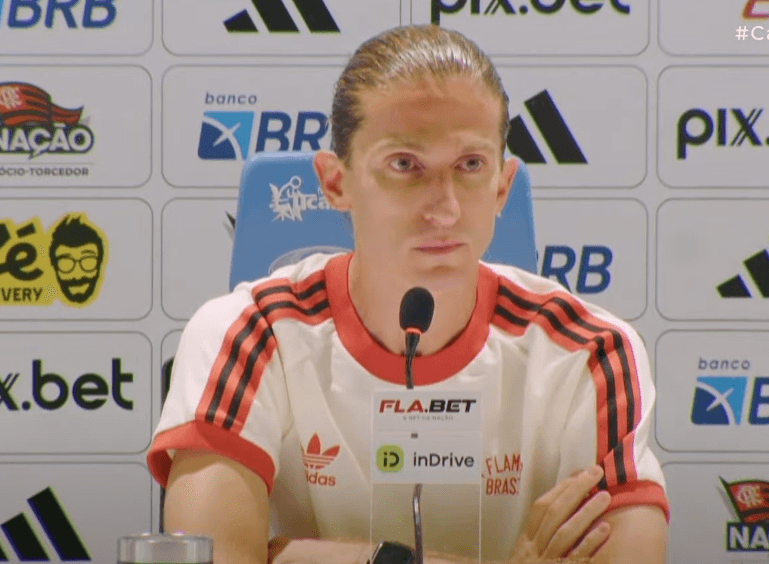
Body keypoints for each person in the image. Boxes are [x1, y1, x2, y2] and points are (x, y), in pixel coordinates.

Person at [147, 24, 669, 564]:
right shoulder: (247, 331)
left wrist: (296, 556)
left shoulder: (593, 351)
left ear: (501, 187)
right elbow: (211, 558)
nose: (443, 207)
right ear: (335, 183)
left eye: (470, 165)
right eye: (404, 165)